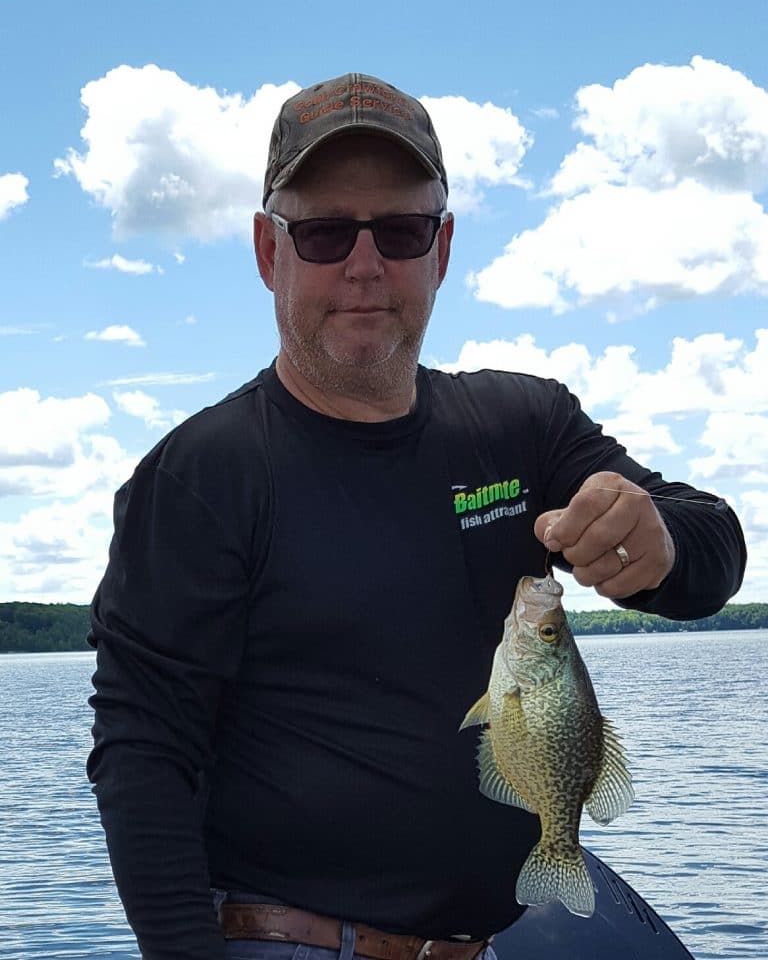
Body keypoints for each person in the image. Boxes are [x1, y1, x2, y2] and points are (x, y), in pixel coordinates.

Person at [87, 72, 746, 960]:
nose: (365, 266)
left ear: (440, 250)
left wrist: (661, 546)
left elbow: (714, 549)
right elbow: (143, 752)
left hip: (499, 937)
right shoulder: (201, 476)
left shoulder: (524, 426)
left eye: (399, 230)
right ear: (267, 252)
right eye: (323, 233)